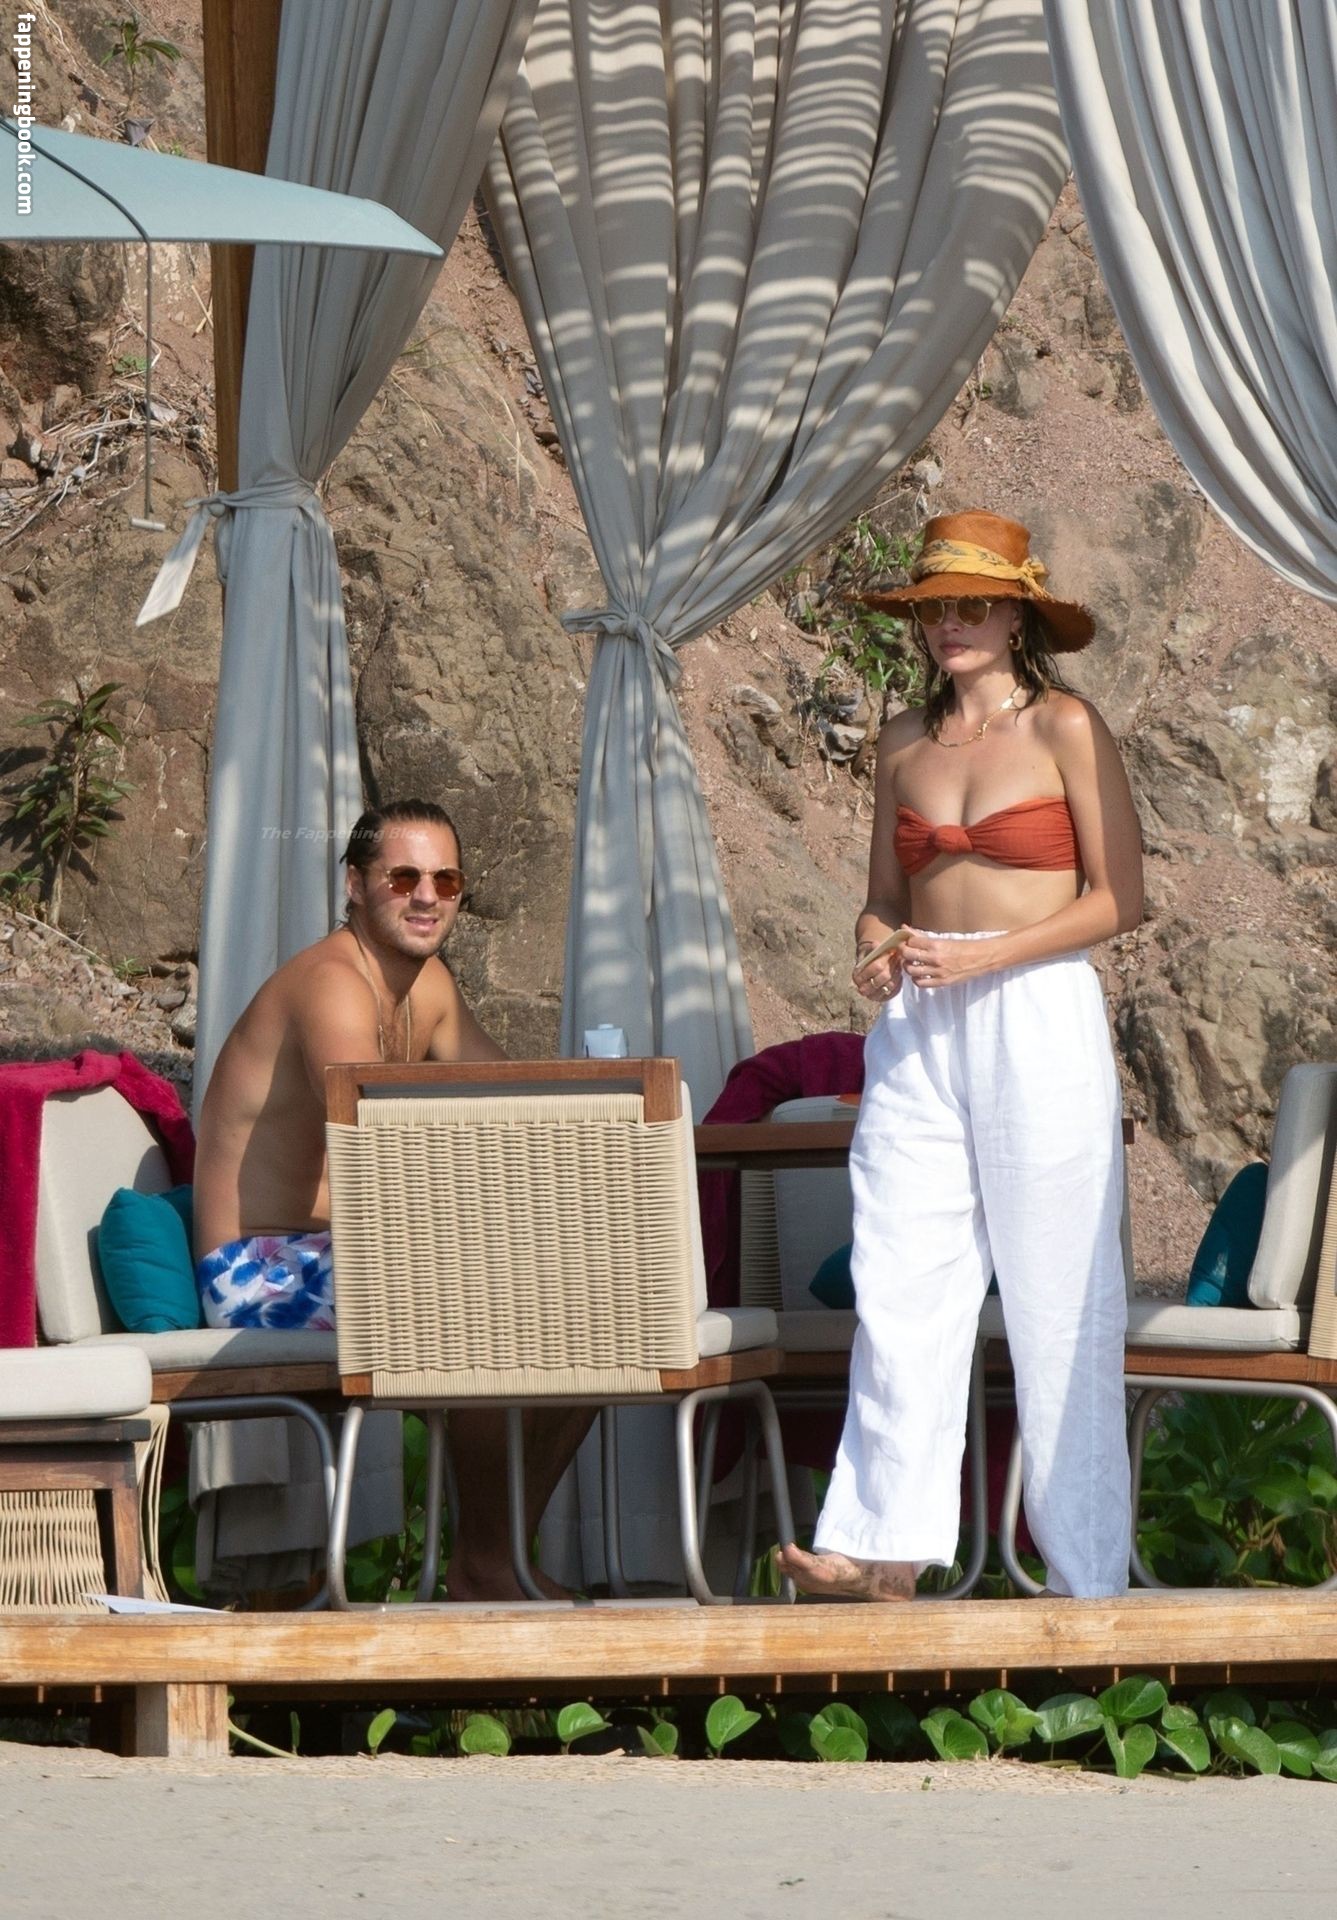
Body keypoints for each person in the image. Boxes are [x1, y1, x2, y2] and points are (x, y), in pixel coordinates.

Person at [777, 511, 1142, 1601]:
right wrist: (873, 950)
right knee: (899, 1275)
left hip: (1035, 1007)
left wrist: (988, 956)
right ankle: (879, 1550)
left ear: (1018, 613)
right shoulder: (902, 741)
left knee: (1057, 1294)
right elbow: (880, 900)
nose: (952, 622)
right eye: (935, 605)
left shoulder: (1064, 725)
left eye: (974, 603)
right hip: (919, 1023)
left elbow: (1118, 899)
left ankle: (1086, 1576)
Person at [193, 798, 592, 1600]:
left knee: (586, 1303)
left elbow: (515, 1096)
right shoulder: (332, 987)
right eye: (403, 877)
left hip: (348, 1253)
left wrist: (597, 1116)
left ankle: (496, 1554)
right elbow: (374, 1137)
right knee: (484, 1303)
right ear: (354, 884)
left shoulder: (426, 986)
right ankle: (486, 1565)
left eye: (446, 880)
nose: (426, 897)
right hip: (260, 1270)